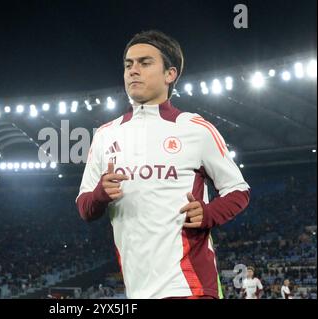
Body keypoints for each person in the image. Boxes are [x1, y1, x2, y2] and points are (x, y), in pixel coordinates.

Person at [76, 30, 250, 299]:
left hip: (190, 286)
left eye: (145, 63)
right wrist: (100, 195)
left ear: (170, 74)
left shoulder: (195, 128)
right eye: (128, 64)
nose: (134, 70)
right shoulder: (105, 135)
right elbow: (85, 207)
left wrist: (208, 213)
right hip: (137, 290)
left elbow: (238, 191)